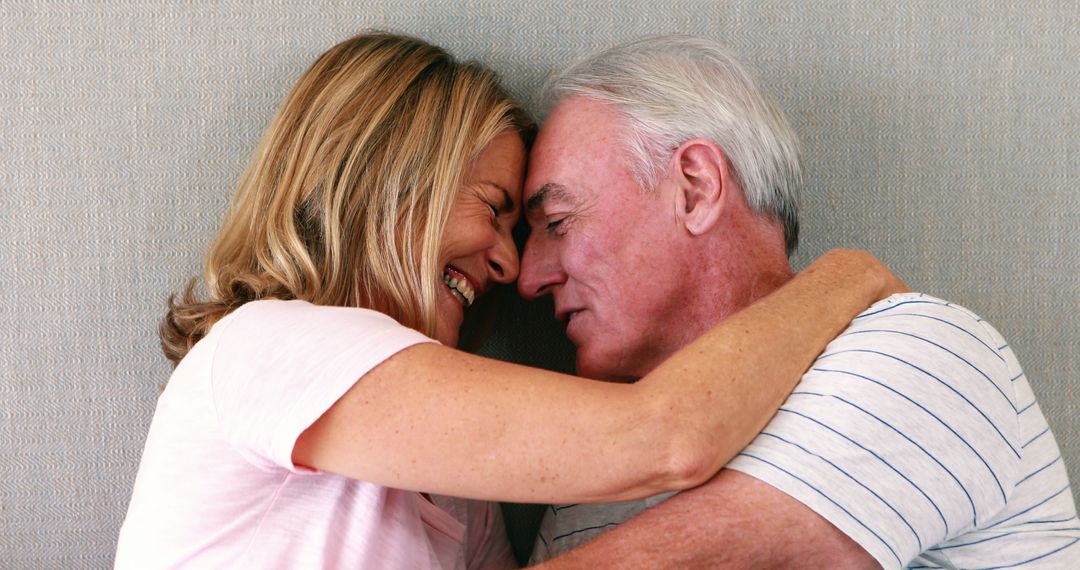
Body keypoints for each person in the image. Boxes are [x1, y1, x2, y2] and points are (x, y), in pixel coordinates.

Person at [113, 32, 902, 569]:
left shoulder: (461, 491)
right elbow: (666, 438)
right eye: (495, 209)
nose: (508, 263)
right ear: (390, 183)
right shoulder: (270, 347)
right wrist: (848, 277)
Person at [518, 35, 1080, 569]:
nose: (527, 278)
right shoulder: (593, 475)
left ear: (695, 187)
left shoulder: (918, 353)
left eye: (559, 222)